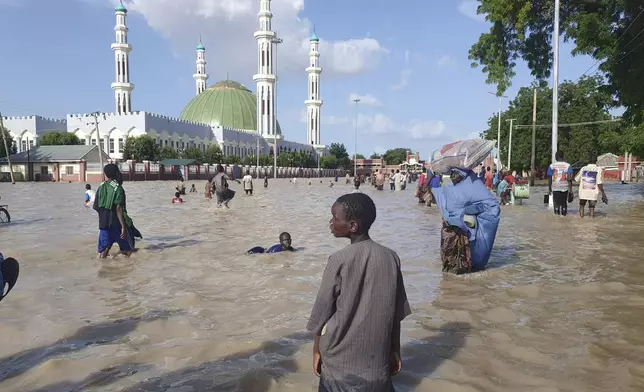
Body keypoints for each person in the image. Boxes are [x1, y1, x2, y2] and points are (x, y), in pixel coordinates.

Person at [307, 193, 411, 392]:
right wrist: (395, 349)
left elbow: (322, 313)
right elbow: (396, 313)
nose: (330, 222)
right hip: (376, 363)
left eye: (335, 218)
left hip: (338, 362)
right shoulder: (391, 257)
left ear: (352, 226)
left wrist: (316, 350)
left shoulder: (338, 260)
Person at [432, 168, 501, 273]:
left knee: (451, 263)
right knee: (464, 262)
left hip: (451, 231)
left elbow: (447, 207)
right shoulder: (470, 183)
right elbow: (491, 207)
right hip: (460, 231)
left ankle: (450, 281)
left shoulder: (446, 184)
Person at [93, 164, 136, 258]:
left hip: (103, 223)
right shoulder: (118, 188)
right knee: (128, 250)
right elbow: (118, 208)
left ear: (106, 174)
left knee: (103, 251)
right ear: (117, 173)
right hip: (116, 223)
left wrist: (104, 217)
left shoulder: (101, 187)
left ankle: (102, 269)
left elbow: (96, 207)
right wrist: (123, 227)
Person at [575, 153, 608, 218]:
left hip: (583, 192)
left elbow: (576, 179)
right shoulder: (598, 169)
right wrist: (603, 193)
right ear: (596, 161)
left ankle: (581, 220)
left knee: (582, 206)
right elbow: (599, 183)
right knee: (592, 208)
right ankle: (591, 222)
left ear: (588, 160)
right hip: (593, 193)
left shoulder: (583, 168)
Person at [547, 150, 573, 216]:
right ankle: (564, 216)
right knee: (564, 203)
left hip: (555, 187)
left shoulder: (552, 166)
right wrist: (570, 191)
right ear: (563, 156)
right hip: (565, 187)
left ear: (556, 157)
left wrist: (549, 188)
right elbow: (570, 179)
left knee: (556, 203)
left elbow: (549, 178)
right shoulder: (568, 165)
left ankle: (557, 218)